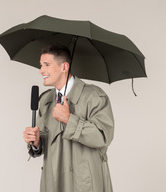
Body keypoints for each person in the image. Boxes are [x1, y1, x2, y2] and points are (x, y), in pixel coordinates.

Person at [23, 43, 114, 192]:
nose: (41, 71)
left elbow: (103, 137)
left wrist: (69, 119)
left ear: (64, 67)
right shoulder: (46, 101)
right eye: (41, 65)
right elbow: (45, 141)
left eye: (46, 65)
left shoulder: (94, 97)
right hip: (53, 182)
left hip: (85, 183)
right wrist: (37, 142)